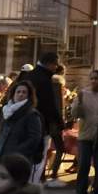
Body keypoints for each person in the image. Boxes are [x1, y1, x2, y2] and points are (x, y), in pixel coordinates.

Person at [21, 53, 63, 183]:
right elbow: (48, 104)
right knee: (38, 158)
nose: (56, 68)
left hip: (24, 123)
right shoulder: (44, 79)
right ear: (49, 64)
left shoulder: (29, 76)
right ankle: (32, 187)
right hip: (41, 124)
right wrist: (58, 121)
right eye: (55, 65)